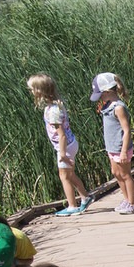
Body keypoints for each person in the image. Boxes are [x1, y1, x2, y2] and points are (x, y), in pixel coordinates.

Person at [27, 73, 92, 216]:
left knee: (64, 176)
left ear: (39, 90)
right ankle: (85, 197)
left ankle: (72, 206)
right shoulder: (56, 105)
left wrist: (62, 154)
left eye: (32, 89)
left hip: (65, 146)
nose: (31, 92)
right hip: (70, 143)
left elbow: (61, 135)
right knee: (70, 174)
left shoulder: (53, 111)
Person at [91, 71, 134, 214]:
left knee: (125, 174)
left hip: (120, 147)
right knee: (116, 173)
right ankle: (126, 199)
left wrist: (123, 151)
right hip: (111, 147)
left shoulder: (118, 107)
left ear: (107, 92)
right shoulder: (107, 106)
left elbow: (127, 130)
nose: (100, 98)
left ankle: (132, 203)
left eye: (101, 94)